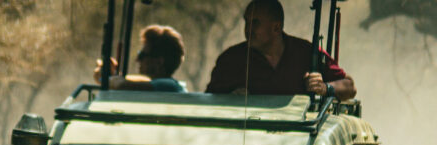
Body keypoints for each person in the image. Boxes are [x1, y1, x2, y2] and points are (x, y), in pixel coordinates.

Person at [206, 0, 356, 100]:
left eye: (255, 23)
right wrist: (229, 98)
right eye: (246, 22)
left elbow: (349, 86)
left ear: (276, 28)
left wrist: (325, 88)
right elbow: (209, 100)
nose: (247, 29)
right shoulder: (231, 60)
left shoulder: (306, 52)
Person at [93, 25, 186, 92]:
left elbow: (122, 85)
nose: (137, 59)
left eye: (142, 55)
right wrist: (109, 75)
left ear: (159, 62)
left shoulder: (168, 86)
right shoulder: (167, 86)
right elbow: (127, 82)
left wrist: (105, 77)